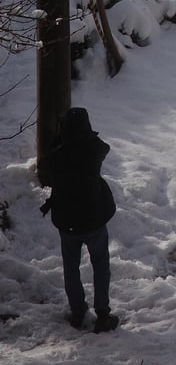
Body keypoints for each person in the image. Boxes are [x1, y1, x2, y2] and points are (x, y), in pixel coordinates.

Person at [38, 107, 119, 333]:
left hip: (67, 222)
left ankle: (77, 310)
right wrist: (86, 135)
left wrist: (60, 140)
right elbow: (104, 146)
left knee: (71, 267)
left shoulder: (57, 156)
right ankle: (103, 314)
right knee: (101, 265)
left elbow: (44, 163)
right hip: (93, 220)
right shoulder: (93, 151)